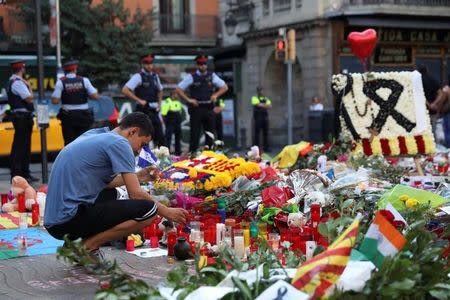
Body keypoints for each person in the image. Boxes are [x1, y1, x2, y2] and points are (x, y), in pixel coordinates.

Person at [44, 112, 188, 260]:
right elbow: (135, 194)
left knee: (113, 194)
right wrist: (166, 211)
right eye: (142, 144)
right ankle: (86, 247)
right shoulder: (121, 143)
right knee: (149, 211)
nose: (140, 151)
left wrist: (139, 176)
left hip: (55, 220)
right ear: (133, 131)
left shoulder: (95, 134)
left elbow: (104, 183)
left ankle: (75, 242)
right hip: (67, 220)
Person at [175, 55, 228, 152]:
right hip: (197, 108)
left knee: (210, 134)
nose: (202, 66)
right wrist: (189, 100)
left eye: (204, 64)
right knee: (194, 135)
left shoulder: (212, 76)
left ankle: (210, 155)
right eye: (200, 64)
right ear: (197, 65)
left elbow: (225, 87)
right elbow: (178, 89)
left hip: (209, 108)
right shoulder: (192, 77)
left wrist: (216, 95)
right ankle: (192, 156)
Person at [52, 60, 99, 145]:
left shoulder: (61, 82)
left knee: (69, 143)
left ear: (65, 71)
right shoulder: (84, 80)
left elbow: (55, 101)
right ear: (75, 70)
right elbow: (95, 96)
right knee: (84, 142)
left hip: (68, 117)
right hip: (83, 116)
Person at [122, 54, 165, 147]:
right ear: (143, 64)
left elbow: (160, 90)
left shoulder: (155, 76)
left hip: (154, 110)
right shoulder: (138, 76)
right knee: (143, 137)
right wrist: (139, 100)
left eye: (151, 63)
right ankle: (142, 160)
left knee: (160, 136)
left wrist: (159, 103)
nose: (149, 66)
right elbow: (125, 90)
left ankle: (161, 158)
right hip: (142, 110)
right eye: (147, 63)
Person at [7, 60, 38, 182]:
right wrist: (29, 86)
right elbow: (29, 98)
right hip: (22, 118)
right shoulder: (17, 82)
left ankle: (25, 174)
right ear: (22, 69)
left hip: (22, 117)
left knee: (24, 146)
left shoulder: (14, 81)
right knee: (20, 147)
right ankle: (18, 175)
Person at [419, 64, 441, 138]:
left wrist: (428, 105)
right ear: (427, 70)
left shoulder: (418, 81)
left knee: (422, 131)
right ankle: (435, 147)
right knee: (433, 130)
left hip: (422, 111)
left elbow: (420, 95)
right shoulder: (433, 80)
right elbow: (440, 93)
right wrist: (433, 104)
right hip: (433, 110)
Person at [161, 90, 182, 155]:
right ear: (172, 95)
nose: (177, 96)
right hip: (170, 122)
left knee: (178, 137)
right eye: (176, 94)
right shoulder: (167, 102)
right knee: (168, 138)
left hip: (177, 122)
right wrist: (165, 122)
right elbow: (163, 113)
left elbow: (179, 112)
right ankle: (167, 152)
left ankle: (178, 152)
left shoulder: (178, 102)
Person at [251, 85, 272, 152]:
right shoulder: (254, 97)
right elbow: (257, 104)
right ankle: (256, 149)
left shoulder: (266, 98)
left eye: (262, 90)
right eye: (259, 90)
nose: (261, 92)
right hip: (257, 118)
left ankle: (266, 148)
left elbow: (270, 106)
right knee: (257, 134)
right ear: (257, 91)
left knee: (266, 133)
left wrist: (262, 105)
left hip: (265, 117)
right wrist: (265, 105)